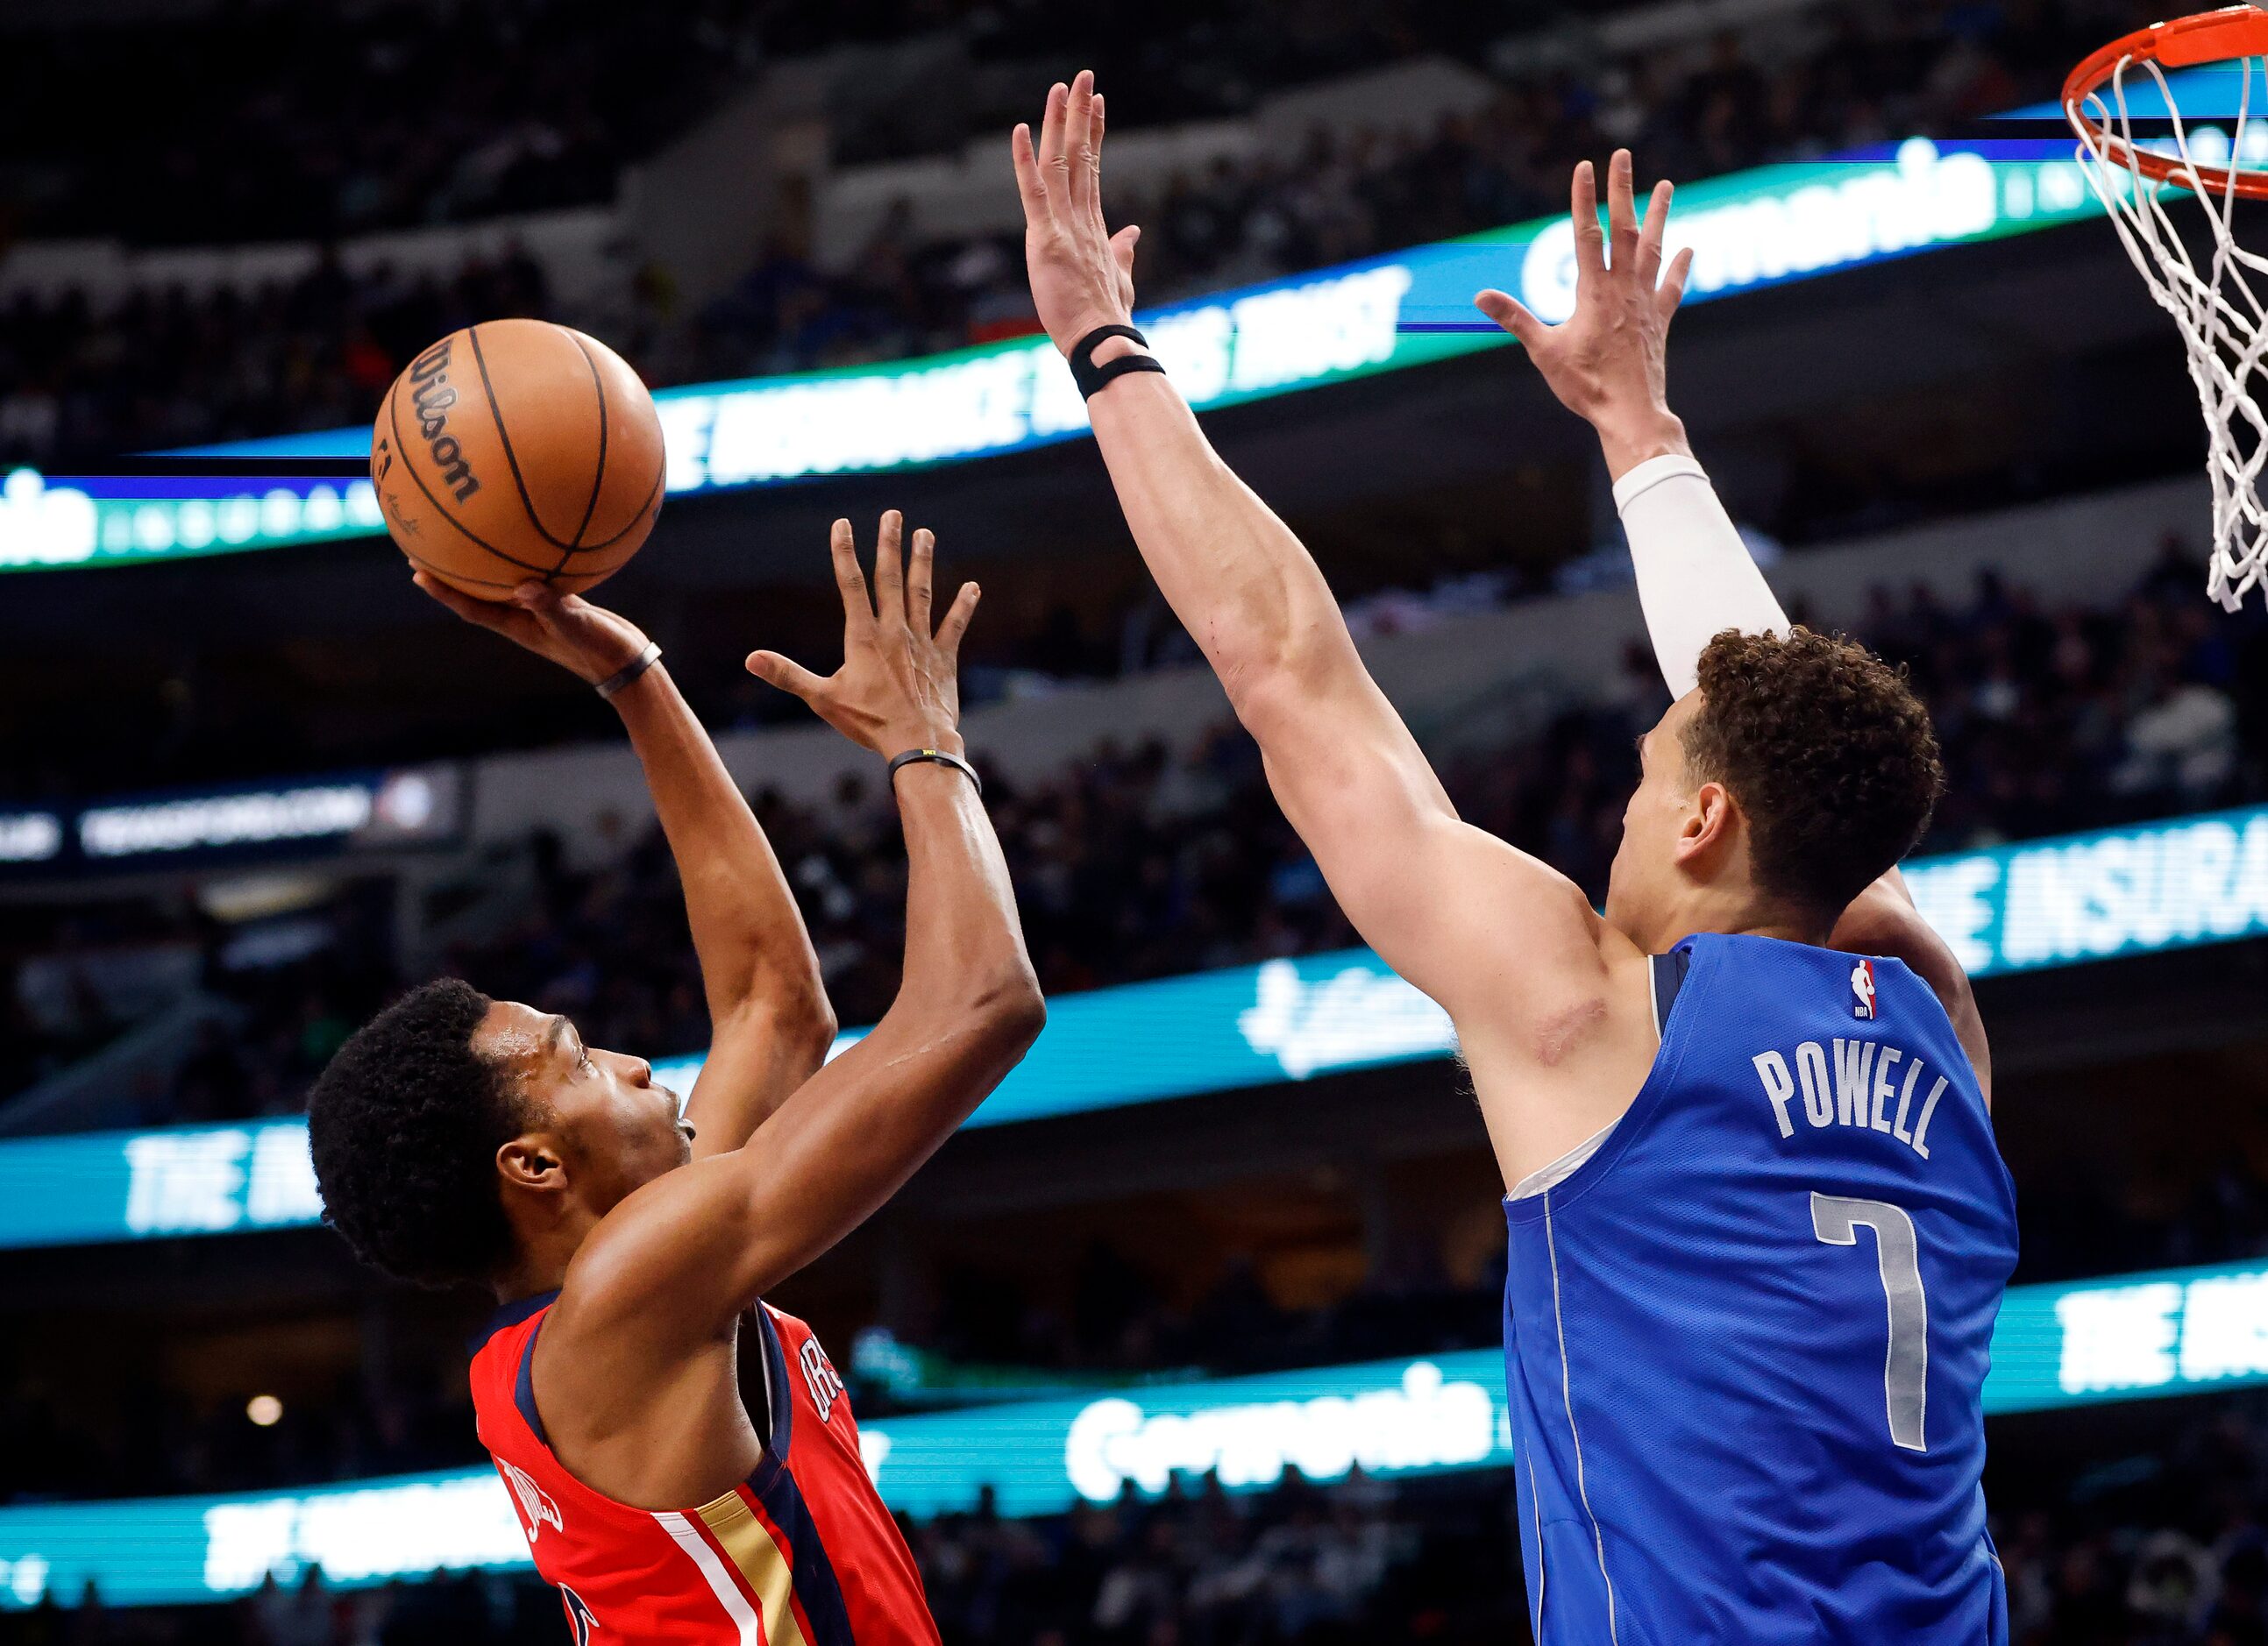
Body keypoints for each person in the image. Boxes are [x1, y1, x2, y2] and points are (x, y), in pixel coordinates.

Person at [1012, 74, 2016, 1644]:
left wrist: (1101, 343)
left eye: (1644, 779)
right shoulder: (1939, 1031)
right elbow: (1793, 746)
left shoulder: (1597, 1017)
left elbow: (1289, 670)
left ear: (1703, 820)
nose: (1618, 806)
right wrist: (1644, 438)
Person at [306, 514, 1042, 1643]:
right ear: (535, 1163)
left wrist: (631, 676)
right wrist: (924, 745)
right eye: (577, 1058)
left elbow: (774, 1007)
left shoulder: (604, 1297)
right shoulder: (625, 1296)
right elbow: (981, 1004)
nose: (635, 1062)